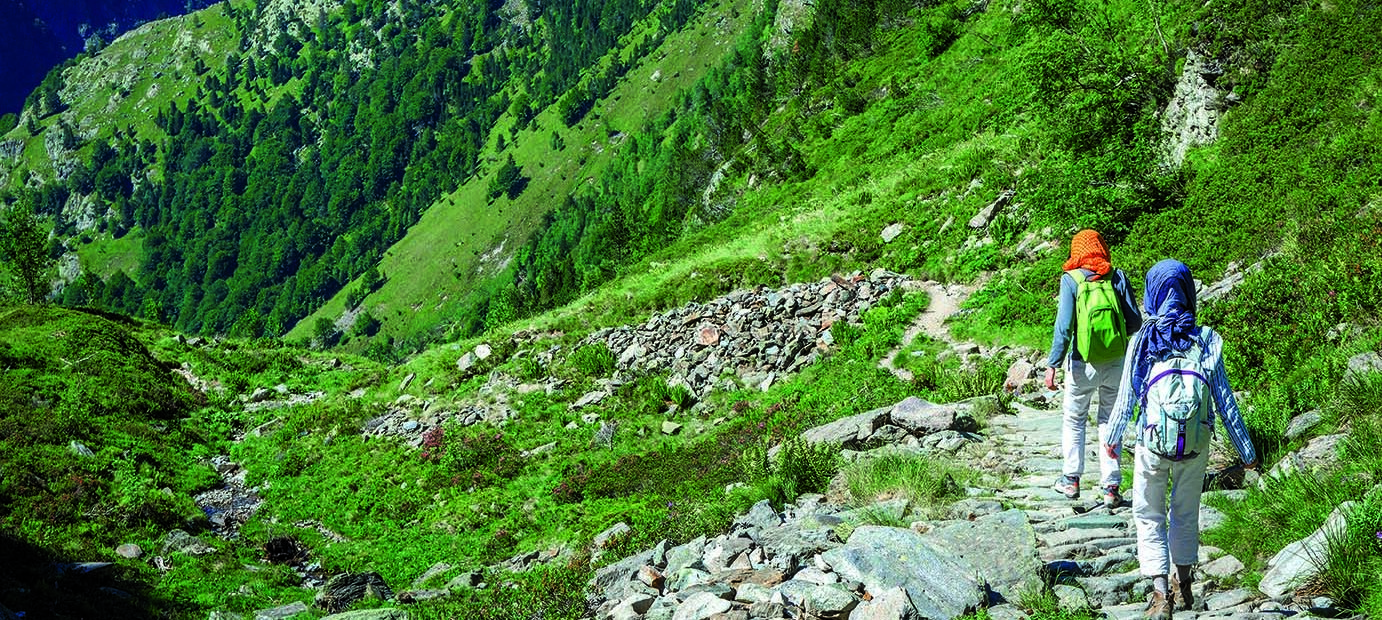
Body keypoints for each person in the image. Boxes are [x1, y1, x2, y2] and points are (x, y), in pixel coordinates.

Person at [1102, 259, 1258, 619]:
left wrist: (1112, 437)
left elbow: (1127, 395)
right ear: (1189, 293)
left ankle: (1160, 595)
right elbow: (1225, 400)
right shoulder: (1206, 339)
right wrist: (1246, 451)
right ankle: (1184, 586)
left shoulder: (1143, 339)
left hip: (1152, 445)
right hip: (1196, 445)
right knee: (1186, 512)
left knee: (1149, 513)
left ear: (1151, 294)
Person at [1045, 229, 1142, 506]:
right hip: (1115, 361)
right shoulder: (1117, 276)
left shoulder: (1071, 280)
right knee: (1111, 420)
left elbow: (1063, 328)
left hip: (1081, 363)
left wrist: (1052, 364)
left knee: (1074, 420)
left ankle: (1071, 480)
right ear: (1102, 247)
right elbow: (1135, 322)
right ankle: (1111, 487)